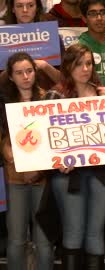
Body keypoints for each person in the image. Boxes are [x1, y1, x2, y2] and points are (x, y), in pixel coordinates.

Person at [47, 43, 105, 270]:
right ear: (68, 66)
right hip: (68, 174)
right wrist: (58, 159)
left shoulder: (102, 93)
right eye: (79, 64)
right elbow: (43, 138)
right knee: (73, 231)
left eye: (89, 63)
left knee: (95, 233)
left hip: (100, 172)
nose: (85, 69)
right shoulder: (55, 95)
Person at [0, 52, 54, 270]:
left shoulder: (48, 99)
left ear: (35, 71)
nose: (25, 77)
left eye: (29, 71)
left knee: (44, 241)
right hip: (14, 178)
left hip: (43, 179)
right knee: (16, 239)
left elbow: (54, 139)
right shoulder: (3, 103)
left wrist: (38, 169)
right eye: (19, 73)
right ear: (10, 77)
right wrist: (8, 154)